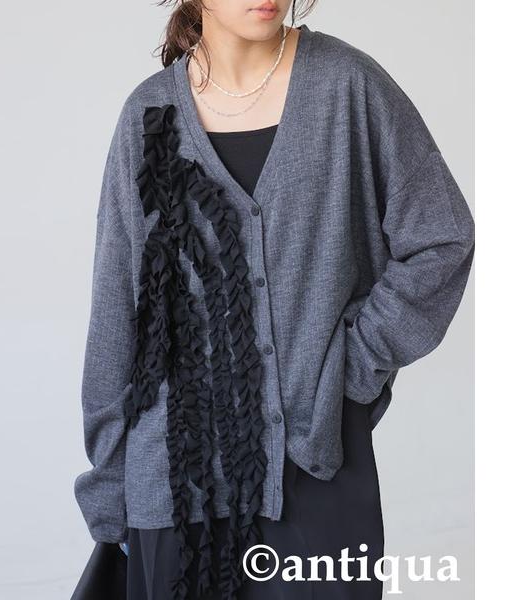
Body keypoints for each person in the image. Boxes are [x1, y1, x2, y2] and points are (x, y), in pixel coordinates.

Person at [73, 1, 475, 599]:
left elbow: (441, 238)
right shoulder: (149, 116)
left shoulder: (346, 86)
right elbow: (116, 312)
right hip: (175, 490)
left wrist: (350, 367)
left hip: (316, 468)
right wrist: (111, 495)